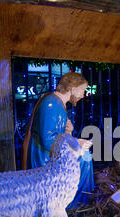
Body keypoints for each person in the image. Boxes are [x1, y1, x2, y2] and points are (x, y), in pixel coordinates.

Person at [22, 72, 94, 208]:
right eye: (82, 90)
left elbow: (59, 136)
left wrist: (68, 131)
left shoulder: (59, 104)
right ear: (73, 87)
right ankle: (74, 203)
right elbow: (47, 141)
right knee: (85, 158)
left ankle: (78, 200)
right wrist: (76, 142)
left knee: (84, 155)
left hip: (52, 152)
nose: (83, 95)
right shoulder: (51, 104)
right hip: (44, 157)